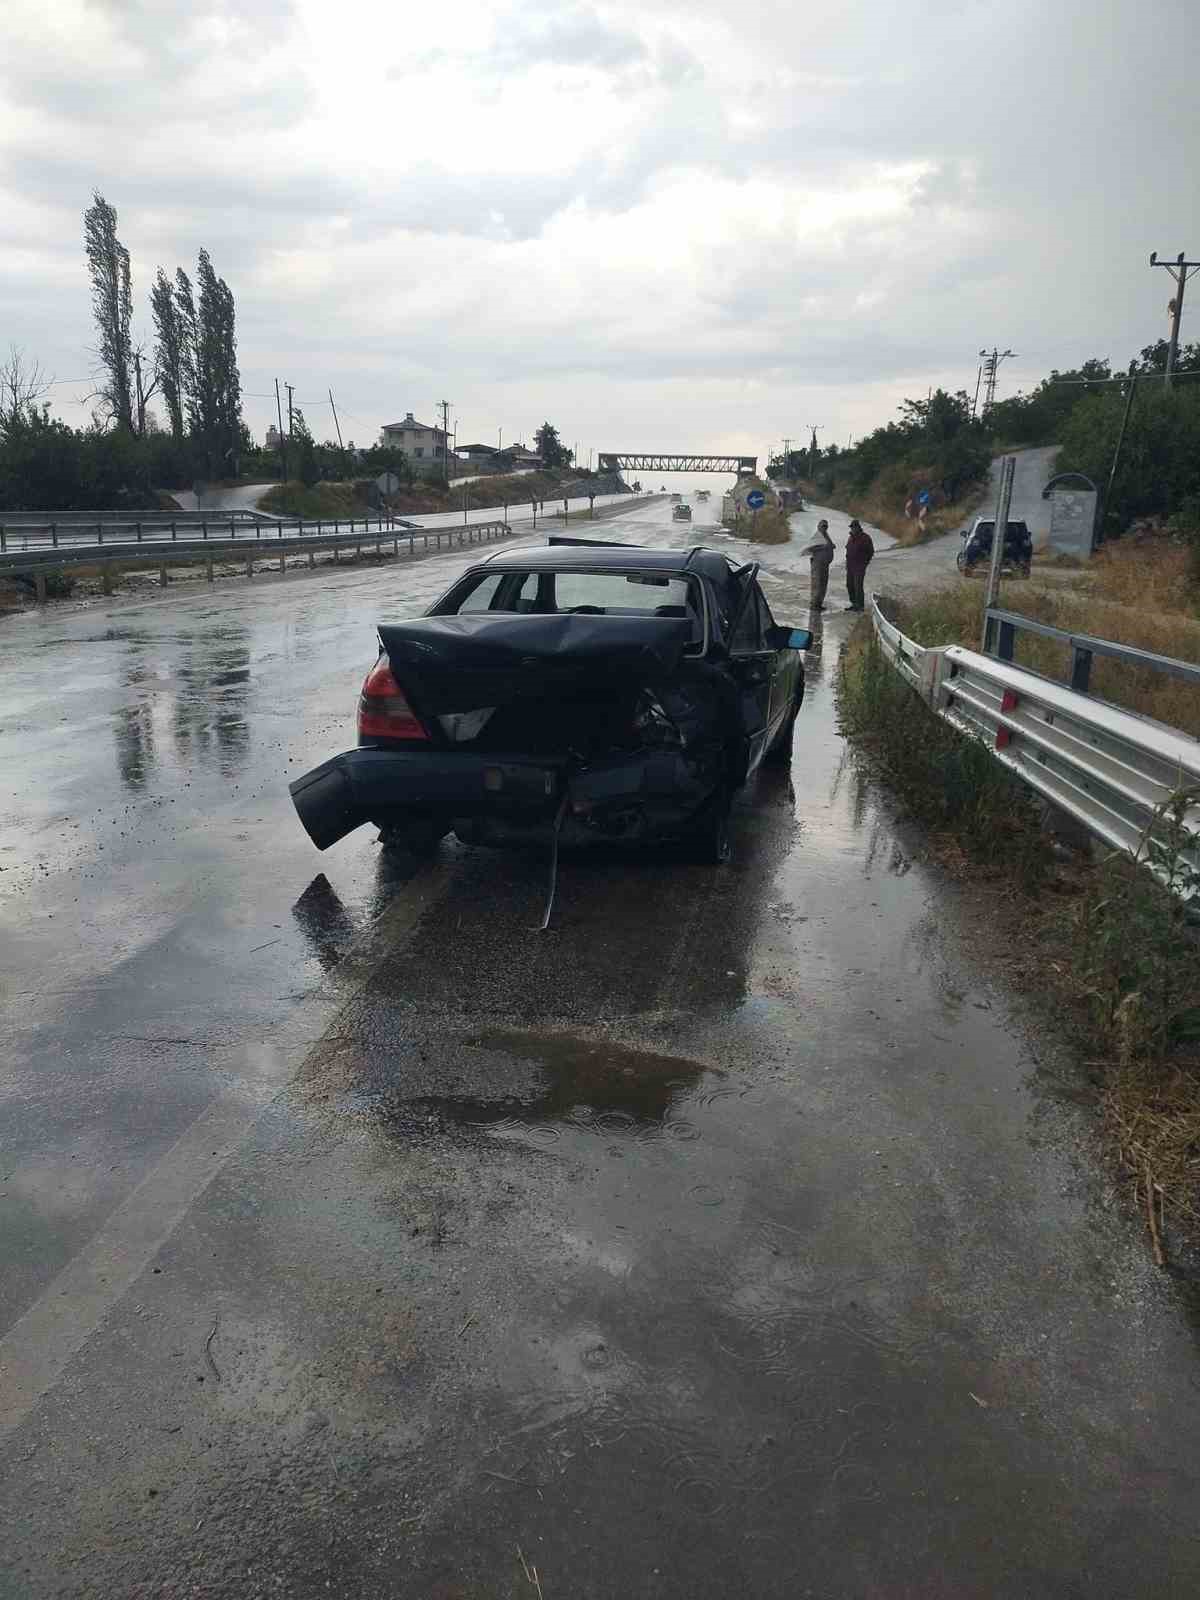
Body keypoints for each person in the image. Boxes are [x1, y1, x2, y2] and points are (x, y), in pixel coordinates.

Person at [803, 519, 835, 610]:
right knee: (817, 584)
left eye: (826, 526)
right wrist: (822, 547)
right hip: (817, 564)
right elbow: (809, 548)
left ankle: (819, 604)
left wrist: (832, 546)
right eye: (823, 526)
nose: (825, 528)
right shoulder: (817, 536)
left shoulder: (826, 536)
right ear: (819, 527)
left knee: (823, 585)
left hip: (825, 564)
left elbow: (829, 545)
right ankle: (814, 605)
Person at [845, 518, 874, 611]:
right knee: (849, 585)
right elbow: (848, 550)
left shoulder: (865, 538)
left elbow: (871, 552)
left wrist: (865, 563)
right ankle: (854, 603)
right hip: (850, 566)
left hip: (859, 566)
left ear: (858, 527)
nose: (852, 529)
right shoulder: (850, 537)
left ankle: (860, 606)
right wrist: (847, 563)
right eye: (851, 527)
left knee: (858, 586)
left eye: (854, 527)